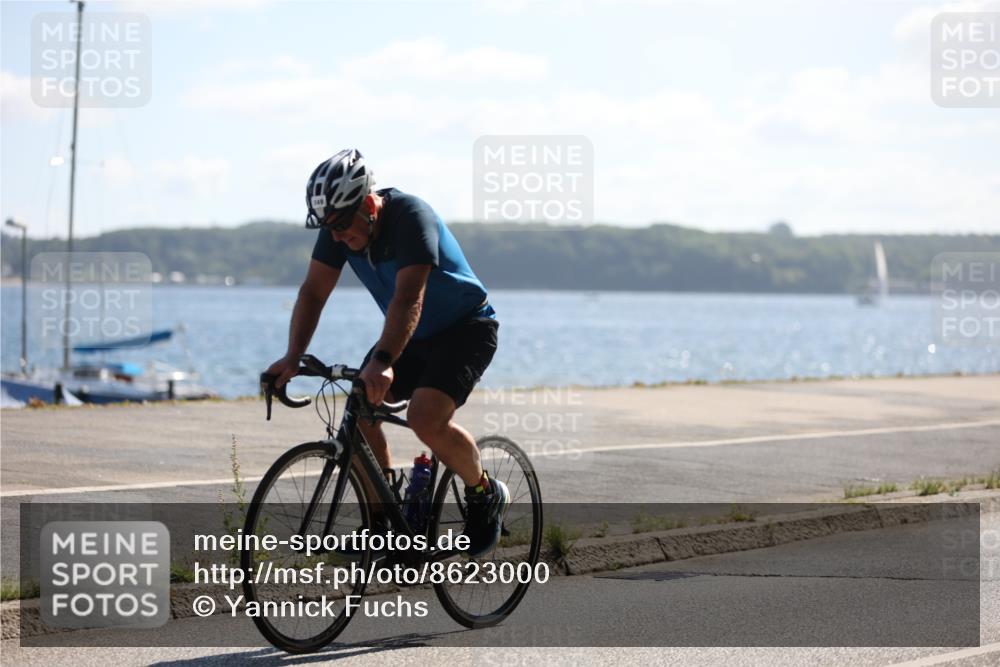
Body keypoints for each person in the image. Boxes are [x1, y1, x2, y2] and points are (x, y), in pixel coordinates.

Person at [265, 148, 507, 558]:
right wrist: (292, 356)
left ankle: (484, 493)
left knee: (424, 418)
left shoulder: (411, 217)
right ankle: (385, 521)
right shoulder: (338, 225)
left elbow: (409, 298)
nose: (338, 237)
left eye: (342, 226)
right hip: (412, 334)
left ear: (368, 203)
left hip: (466, 328)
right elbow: (313, 292)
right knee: (359, 407)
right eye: (330, 229)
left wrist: (383, 362)